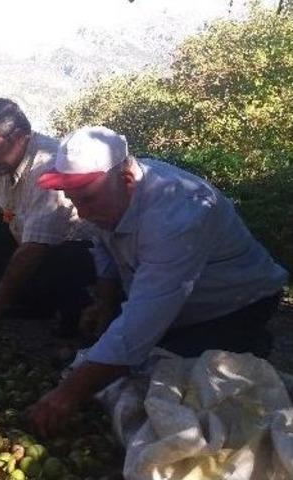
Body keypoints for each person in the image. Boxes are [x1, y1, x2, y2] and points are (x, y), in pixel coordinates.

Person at [28, 126, 289, 437]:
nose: (83, 213)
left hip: (237, 303)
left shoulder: (178, 213)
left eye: (88, 199)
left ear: (126, 179)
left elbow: (141, 322)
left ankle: (249, 343)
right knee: (123, 362)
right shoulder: (107, 199)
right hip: (172, 296)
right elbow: (105, 249)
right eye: (74, 200)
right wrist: (104, 302)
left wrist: (68, 395)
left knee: (165, 375)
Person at [0, 98, 96, 341]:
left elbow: (34, 249)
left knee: (61, 257)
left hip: (78, 254)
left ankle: (76, 315)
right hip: (31, 243)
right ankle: (31, 301)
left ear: (19, 136)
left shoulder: (47, 165)